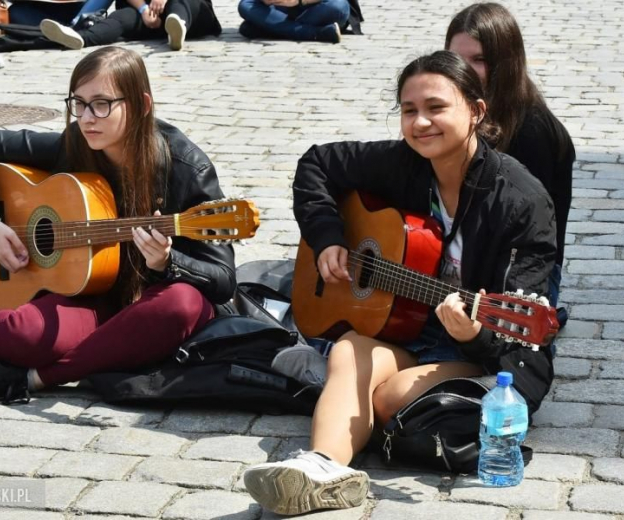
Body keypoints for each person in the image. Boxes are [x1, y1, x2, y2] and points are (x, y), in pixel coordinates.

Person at [243, 50, 557, 516]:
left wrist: (475, 331)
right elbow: (317, 165)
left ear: (476, 111)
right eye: (409, 111)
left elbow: (518, 329)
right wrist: (328, 238)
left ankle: (334, 421)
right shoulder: (403, 163)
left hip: (490, 353)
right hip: (411, 330)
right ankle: (323, 469)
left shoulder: (520, 200)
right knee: (351, 348)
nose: (420, 122)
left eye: (436, 107)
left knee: (389, 398)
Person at [0, 46, 235, 404]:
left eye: (102, 104)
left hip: (154, 305)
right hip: (93, 295)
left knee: (182, 305)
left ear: (142, 105)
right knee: (27, 332)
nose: (86, 118)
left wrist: (167, 262)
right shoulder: (75, 146)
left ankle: (33, 379)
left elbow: (223, 281)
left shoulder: (188, 167)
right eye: (78, 103)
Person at [446, 2, 575, 308]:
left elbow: (526, 243)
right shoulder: (449, 112)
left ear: (505, 62)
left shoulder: (532, 132)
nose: (464, 70)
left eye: (479, 59)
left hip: (519, 272)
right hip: (462, 253)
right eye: (455, 58)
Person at [40, 0, 221, 52]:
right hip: (148, 13)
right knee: (120, 18)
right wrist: (143, 9)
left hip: (193, 13)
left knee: (179, 4)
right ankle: (82, 38)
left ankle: (176, 27)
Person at [237, 0, 350, 44]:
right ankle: (317, 33)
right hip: (280, 9)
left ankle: (269, 27)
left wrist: (299, 1)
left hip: (316, 8)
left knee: (338, 7)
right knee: (246, 5)